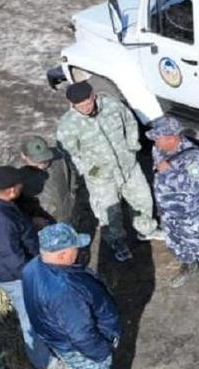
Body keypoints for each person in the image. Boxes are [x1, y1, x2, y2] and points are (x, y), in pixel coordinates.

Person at [22, 223, 148, 369]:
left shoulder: (33, 268)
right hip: (83, 348)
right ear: (62, 254)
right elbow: (81, 333)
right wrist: (101, 351)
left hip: (60, 342)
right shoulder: (64, 290)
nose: (78, 252)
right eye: (74, 248)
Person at [56, 81, 163, 263]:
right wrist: (89, 170)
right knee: (109, 211)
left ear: (94, 96)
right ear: (72, 105)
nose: (86, 108)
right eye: (80, 106)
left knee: (143, 199)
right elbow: (70, 153)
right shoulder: (68, 125)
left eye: (88, 102)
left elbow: (129, 122)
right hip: (101, 177)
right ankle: (117, 242)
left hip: (128, 166)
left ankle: (146, 230)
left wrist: (132, 147)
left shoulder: (113, 106)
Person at [0, 166, 53, 369]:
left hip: (7, 271)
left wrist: (28, 223)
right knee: (31, 317)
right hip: (17, 276)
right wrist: (34, 276)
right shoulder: (0, 221)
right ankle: (45, 364)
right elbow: (12, 258)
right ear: (11, 190)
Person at [147, 116, 199, 304]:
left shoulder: (193, 157)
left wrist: (170, 170)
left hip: (191, 213)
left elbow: (194, 185)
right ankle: (189, 264)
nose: (156, 142)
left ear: (173, 137)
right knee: (176, 241)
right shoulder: (158, 149)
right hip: (167, 210)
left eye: (159, 138)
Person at [12, 135, 78, 227]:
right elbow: (10, 207)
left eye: (46, 158)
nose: (43, 163)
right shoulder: (15, 173)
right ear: (23, 156)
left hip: (66, 216)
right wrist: (31, 220)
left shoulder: (59, 158)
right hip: (40, 225)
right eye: (37, 161)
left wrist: (72, 198)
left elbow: (72, 178)